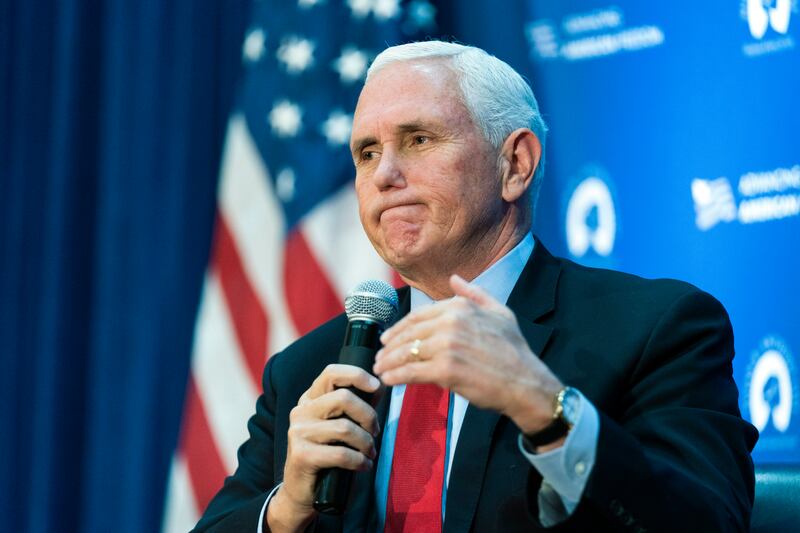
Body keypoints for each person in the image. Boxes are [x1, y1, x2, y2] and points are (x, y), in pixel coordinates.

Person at [193, 41, 757, 532]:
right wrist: (286, 509)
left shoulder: (654, 329)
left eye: (418, 139)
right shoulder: (307, 369)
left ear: (515, 164)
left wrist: (542, 405)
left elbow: (705, 520)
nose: (384, 174)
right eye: (367, 152)